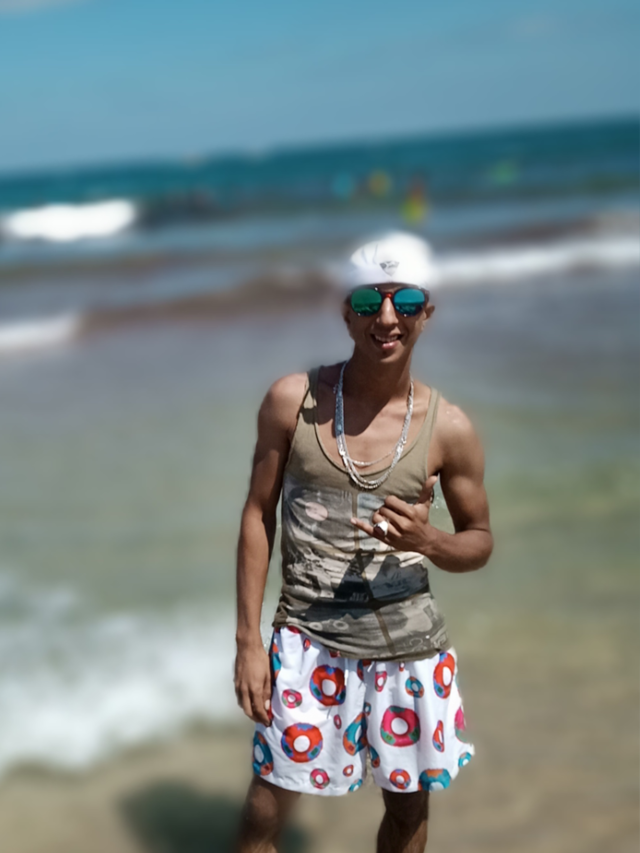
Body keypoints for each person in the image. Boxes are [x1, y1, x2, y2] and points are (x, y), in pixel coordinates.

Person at [234, 232, 493, 853]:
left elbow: (479, 541)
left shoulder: (449, 428)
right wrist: (248, 642)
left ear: (427, 313)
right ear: (345, 312)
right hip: (306, 640)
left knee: (407, 814)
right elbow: (257, 515)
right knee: (263, 817)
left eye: (406, 301)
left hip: (410, 652)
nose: (387, 318)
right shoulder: (292, 401)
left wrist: (429, 540)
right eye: (369, 301)